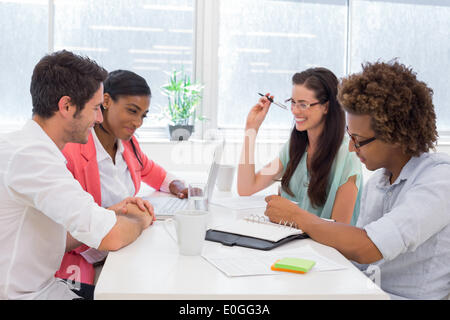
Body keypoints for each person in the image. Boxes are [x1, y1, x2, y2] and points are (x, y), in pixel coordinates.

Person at [264, 60, 450, 299]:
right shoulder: (379, 183)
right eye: (350, 136)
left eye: (359, 139)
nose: (352, 147)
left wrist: (297, 217)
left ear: (395, 136)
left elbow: (366, 247)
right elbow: (356, 254)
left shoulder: (439, 180)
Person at [0, 50, 154, 300]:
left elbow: (55, 235)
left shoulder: (28, 149)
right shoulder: (33, 159)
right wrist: (142, 219)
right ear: (67, 106)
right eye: (95, 108)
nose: (99, 118)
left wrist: (113, 211)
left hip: (42, 288)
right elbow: (111, 237)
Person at [55, 69, 188, 289]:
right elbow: (67, 228)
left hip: (124, 247)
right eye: (132, 111)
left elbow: (153, 171)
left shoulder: (128, 145)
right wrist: (135, 221)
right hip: (87, 260)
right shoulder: (73, 151)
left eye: (143, 115)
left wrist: (179, 186)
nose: (138, 122)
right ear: (105, 101)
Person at [238, 67, 363, 225]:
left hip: (323, 249)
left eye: (303, 105)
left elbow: (339, 230)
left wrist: (293, 216)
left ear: (326, 106)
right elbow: (246, 187)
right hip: (291, 245)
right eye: (293, 102)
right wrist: (251, 129)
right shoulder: (295, 147)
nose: (295, 111)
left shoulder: (348, 155)